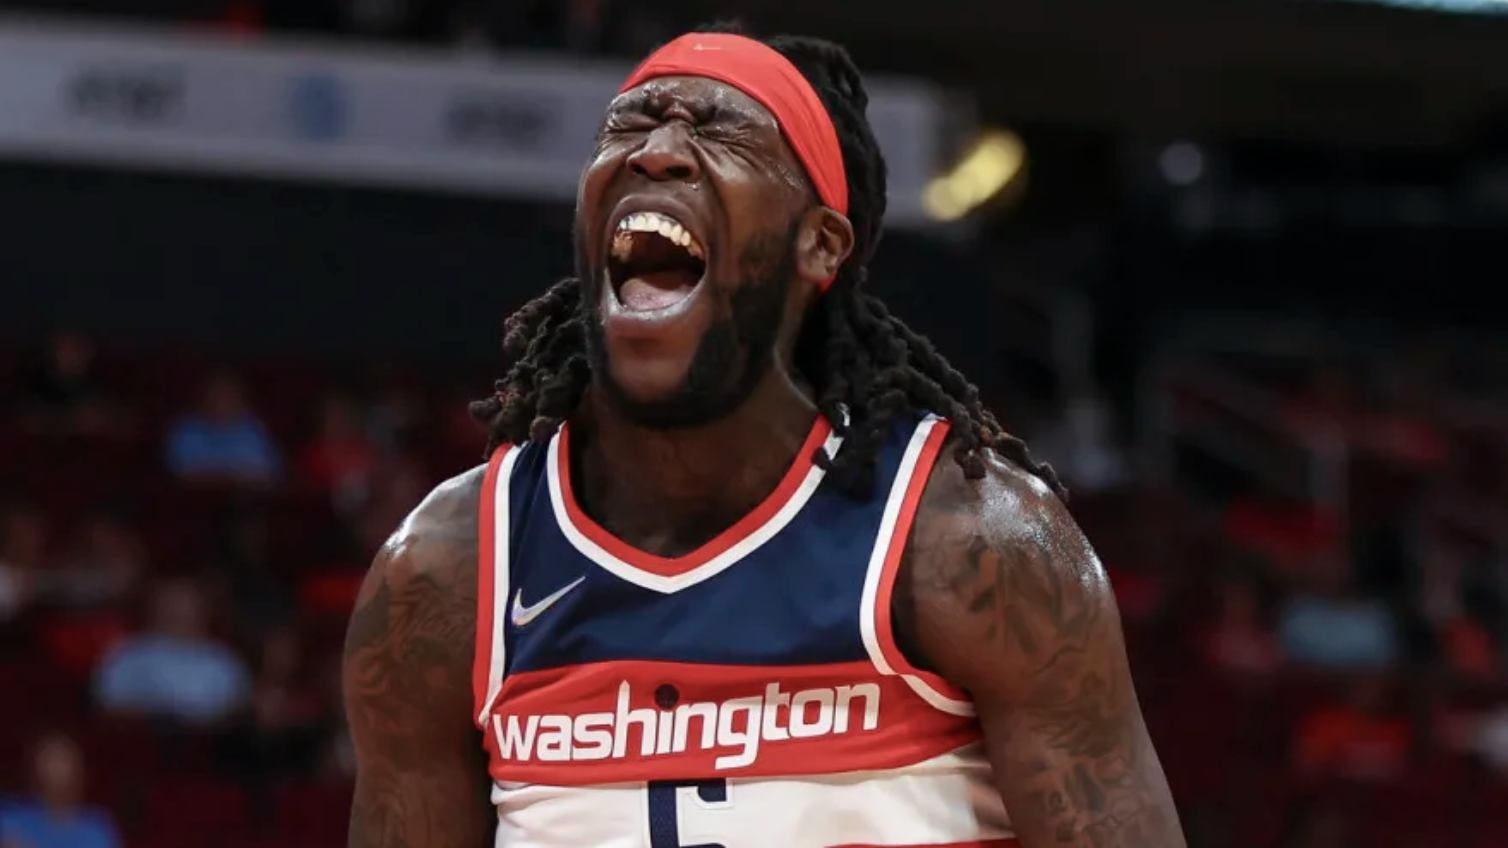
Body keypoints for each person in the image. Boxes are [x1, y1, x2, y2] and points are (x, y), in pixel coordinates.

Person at [343, 23, 1184, 848]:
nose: (656, 152)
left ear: (818, 244)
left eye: (718, 131)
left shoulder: (973, 543)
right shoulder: (448, 571)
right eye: (629, 126)